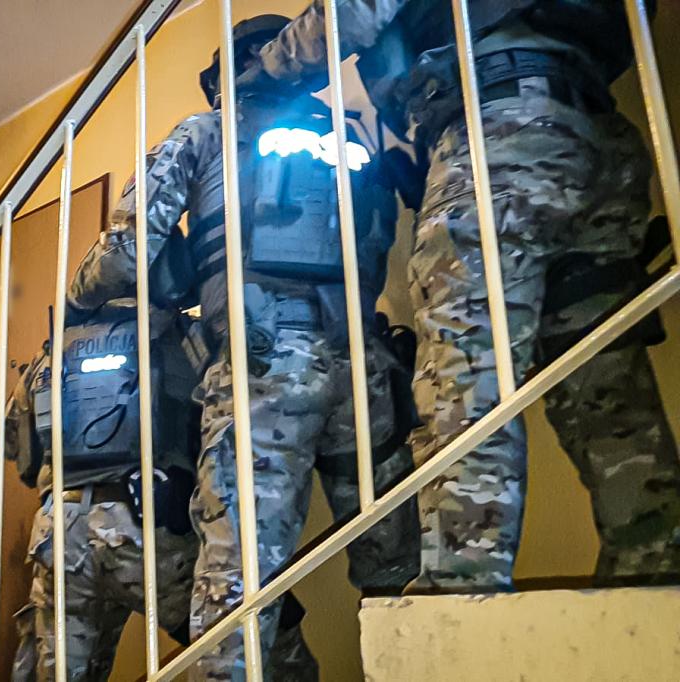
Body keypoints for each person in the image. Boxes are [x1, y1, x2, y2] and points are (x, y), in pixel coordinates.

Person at [240, 0, 680, 592]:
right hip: (595, 134)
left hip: (500, 126)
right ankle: (654, 562)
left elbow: (350, 16)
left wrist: (266, 69)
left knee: (465, 368)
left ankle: (459, 585)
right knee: (600, 375)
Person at [68, 15, 421, 680]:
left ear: (222, 78)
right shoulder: (350, 137)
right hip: (366, 370)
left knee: (236, 587)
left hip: (262, 373)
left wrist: (80, 297)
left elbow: (124, 256)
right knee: (397, 577)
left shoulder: (205, 132)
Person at [6, 299, 318, 682]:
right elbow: (235, 411)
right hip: (145, 530)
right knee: (257, 642)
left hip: (60, 535)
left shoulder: (51, 354)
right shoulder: (176, 334)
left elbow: (20, 455)